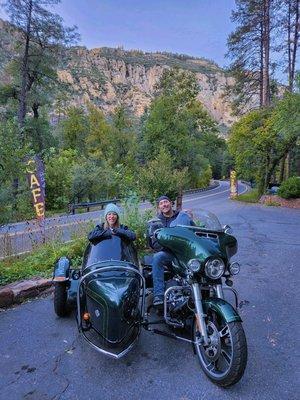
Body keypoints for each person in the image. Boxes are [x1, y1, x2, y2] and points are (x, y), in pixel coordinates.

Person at [150, 195, 194, 307]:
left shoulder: (182, 216)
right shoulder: (156, 222)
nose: (164, 205)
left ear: (171, 203)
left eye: (166, 202)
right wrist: (168, 246)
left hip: (185, 253)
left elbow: (194, 232)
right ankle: (158, 295)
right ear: (159, 207)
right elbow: (154, 243)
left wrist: (191, 219)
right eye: (161, 203)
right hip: (169, 254)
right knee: (158, 257)